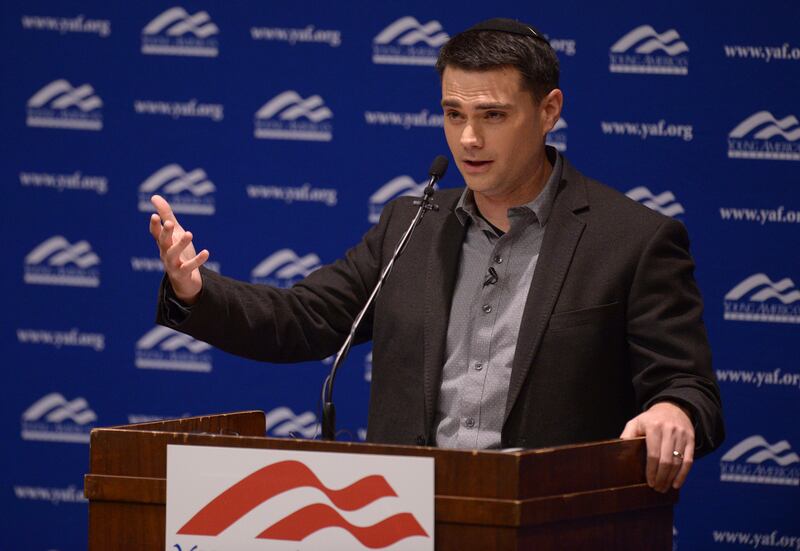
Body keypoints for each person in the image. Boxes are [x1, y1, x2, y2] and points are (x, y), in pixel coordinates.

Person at [149, 18, 724, 494]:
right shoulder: (412, 223)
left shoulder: (633, 239)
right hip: (400, 517)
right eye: (454, 114)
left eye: (492, 115)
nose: (468, 139)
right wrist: (193, 291)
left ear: (549, 111)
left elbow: (689, 387)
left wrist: (674, 409)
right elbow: (302, 319)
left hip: (552, 519)